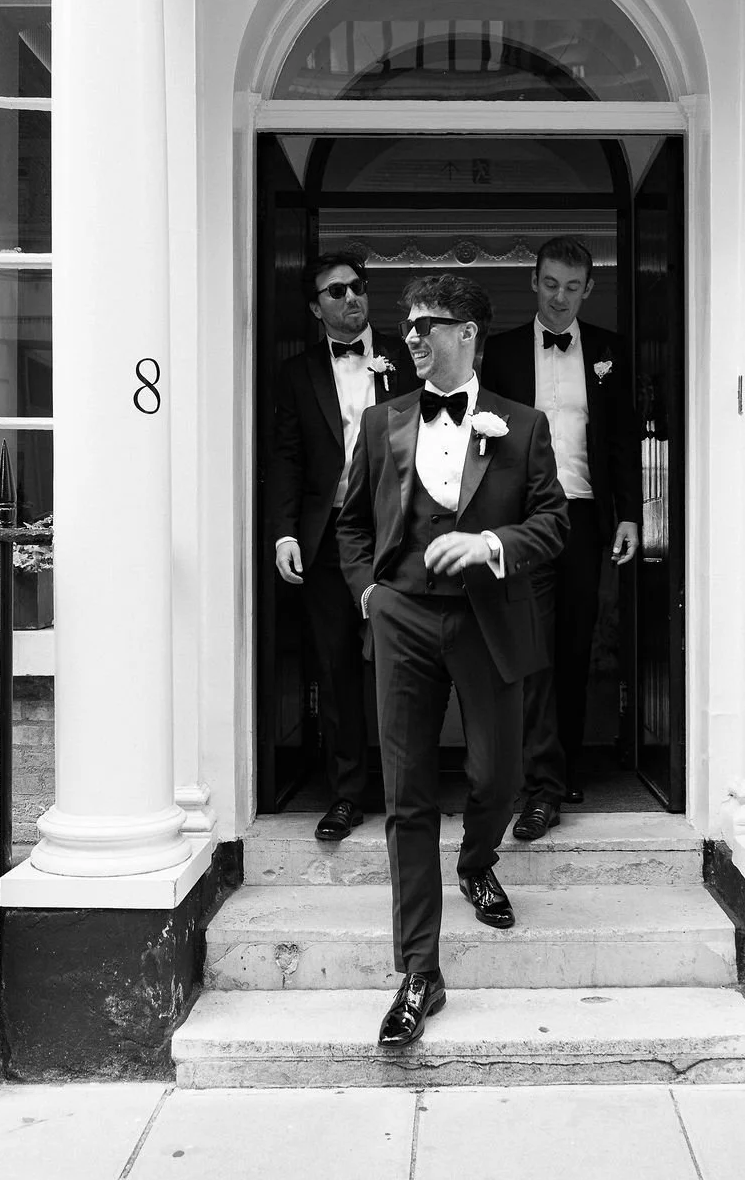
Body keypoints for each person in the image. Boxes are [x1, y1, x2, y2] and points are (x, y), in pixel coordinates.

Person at [337, 274, 569, 1048]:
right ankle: (419, 972)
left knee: (498, 773)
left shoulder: (522, 424)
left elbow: (553, 523)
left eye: (425, 325)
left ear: (466, 332)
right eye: (406, 326)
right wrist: (370, 592)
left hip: (488, 619)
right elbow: (348, 523)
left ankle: (477, 858)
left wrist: (491, 544)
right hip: (402, 615)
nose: (409, 337)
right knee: (406, 794)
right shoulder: (381, 421)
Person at [481, 236, 641, 840]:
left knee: (573, 647)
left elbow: (623, 438)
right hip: (522, 521)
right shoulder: (497, 354)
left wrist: (629, 515)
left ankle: (559, 766)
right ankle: (539, 780)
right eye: (551, 284)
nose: (560, 297)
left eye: (572, 287)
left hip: (583, 515)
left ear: (588, 290)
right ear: (534, 282)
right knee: (531, 649)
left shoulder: (607, 351)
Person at [273, 252, 416, 842]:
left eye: (357, 287)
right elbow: (286, 458)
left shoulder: (406, 362)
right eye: (335, 292)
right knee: (334, 668)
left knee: (403, 661)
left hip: (397, 536)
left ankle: (411, 792)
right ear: (316, 307)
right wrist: (284, 531)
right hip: (327, 537)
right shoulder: (296, 373)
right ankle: (347, 796)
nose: (350, 298)